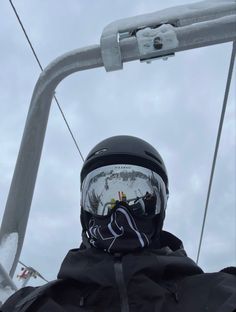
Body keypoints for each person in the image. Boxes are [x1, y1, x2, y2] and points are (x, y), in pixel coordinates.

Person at [1, 135, 236, 311]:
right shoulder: (31, 305)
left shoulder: (218, 294)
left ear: (160, 209)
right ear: (85, 209)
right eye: (102, 199)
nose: (120, 213)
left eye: (139, 199)